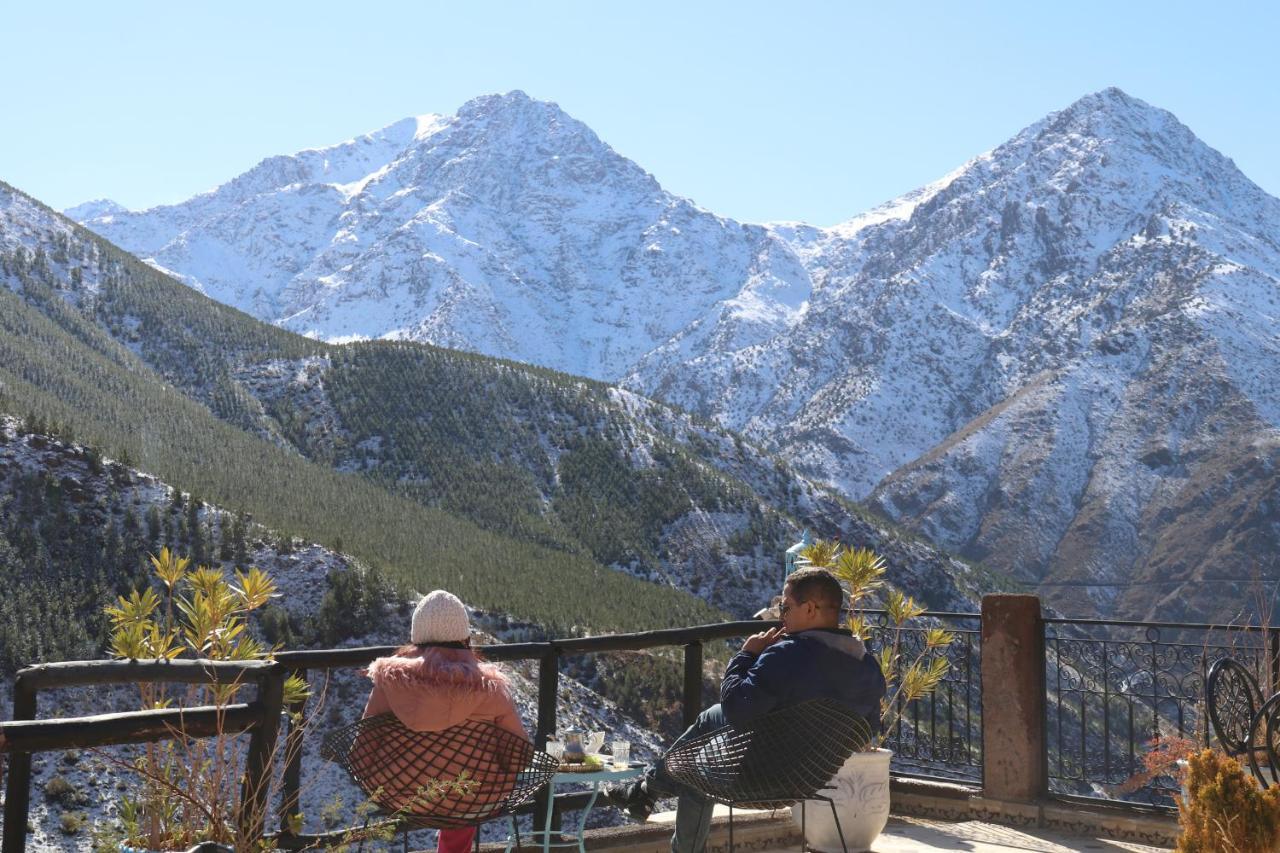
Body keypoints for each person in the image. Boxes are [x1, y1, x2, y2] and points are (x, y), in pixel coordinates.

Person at [605, 567, 886, 853]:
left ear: (810, 608)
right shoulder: (868, 668)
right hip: (808, 780)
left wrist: (746, 655)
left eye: (785, 607)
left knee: (691, 768)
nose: (781, 616)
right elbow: (869, 728)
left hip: (755, 779)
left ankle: (647, 796)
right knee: (710, 717)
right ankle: (644, 792)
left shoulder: (786, 655)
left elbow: (737, 709)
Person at [360, 589, 528, 853]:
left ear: (417, 636)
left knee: (452, 790)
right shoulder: (491, 687)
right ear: (464, 636)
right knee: (465, 794)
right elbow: (520, 755)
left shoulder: (389, 683)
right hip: (472, 796)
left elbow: (362, 750)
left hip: (402, 795)